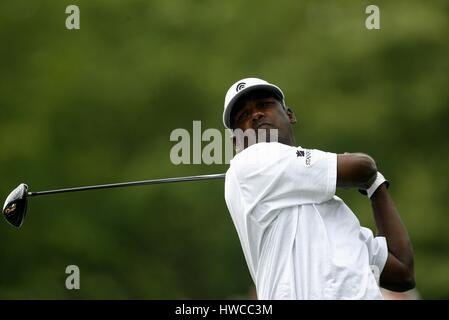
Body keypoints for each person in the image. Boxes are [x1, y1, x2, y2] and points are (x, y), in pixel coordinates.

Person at [222, 77, 415, 299]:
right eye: (243, 116)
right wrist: (368, 174)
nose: (255, 115)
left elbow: (402, 273)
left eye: (265, 105)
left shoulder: (337, 211)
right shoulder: (249, 161)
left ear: (290, 115)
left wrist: (376, 185)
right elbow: (362, 166)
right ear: (237, 143)